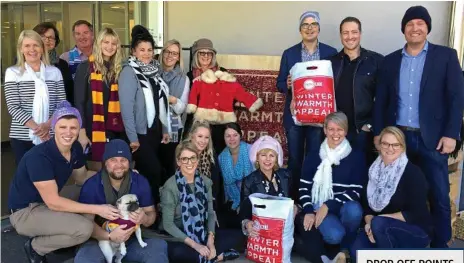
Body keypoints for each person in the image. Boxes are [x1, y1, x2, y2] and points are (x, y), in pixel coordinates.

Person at [373, 5, 464, 248]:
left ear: (427, 28)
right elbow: (381, 100)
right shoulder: (390, 61)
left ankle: (441, 245)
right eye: (410, 24)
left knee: (438, 194)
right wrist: (379, 134)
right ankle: (407, 240)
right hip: (397, 140)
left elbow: (456, 97)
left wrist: (451, 134)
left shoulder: (445, 56)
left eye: (420, 24)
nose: (415, 28)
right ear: (403, 29)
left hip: (433, 139)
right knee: (399, 192)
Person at [7, 101, 118, 263]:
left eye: (73, 128)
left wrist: (115, 175)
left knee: (92, 190)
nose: (68, 132)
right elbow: (54, 203)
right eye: (62, 127)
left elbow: (82, 178)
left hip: (47, 201)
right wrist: (98, 210)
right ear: (54, 129)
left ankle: (70, 238)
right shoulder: (39, 157)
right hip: (25, 212)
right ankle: (36, 247)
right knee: (85, 229)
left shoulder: (75, 149)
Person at [74, 139, 169, 263]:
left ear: (129, 162)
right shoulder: (92, 185)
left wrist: (145, 218)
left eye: (123, 160)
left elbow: (151, 213)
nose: (119, 165)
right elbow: (86, 224)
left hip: (132, 238)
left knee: (158, 248)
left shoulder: (140, 181)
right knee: (85, 259)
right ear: (105, 162)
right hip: (99, 239)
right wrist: (109, 236)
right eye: (113, 160)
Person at [276, 11, 338, 200]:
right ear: (300, 29)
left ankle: (312, 198)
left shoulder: (331, 52)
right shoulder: (289, 53)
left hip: (319, 116)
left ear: (319, 28)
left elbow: (336, 82)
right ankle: (294, 200)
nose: (309, 28)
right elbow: (279, 83)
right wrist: (286, 84)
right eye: (305, 25)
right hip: (295, 115)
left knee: (314, 157)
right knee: (295, 159)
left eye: (313, 24)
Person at [350, 127, 432, 261]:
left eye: (395, 145)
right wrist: (370, 222)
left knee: (380, 225)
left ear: (403, 147)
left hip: (414, 229)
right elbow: (366, 205)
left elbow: (415, 213)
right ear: (379, 145)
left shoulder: (413, 173)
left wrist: (378, 221)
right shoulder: (372, 170)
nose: (390, 148)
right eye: (386, 144)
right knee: (356, 253)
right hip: (379, 226)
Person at [296, 112, 365, 263]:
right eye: (331, 129)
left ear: (346, 131)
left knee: (354, 210)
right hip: (319, 206)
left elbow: (356, 190)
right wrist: (308, 210)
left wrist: (328, 205)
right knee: (334, 235)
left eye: (340, 129)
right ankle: (336, 247)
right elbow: (304, 188)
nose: (335, 134)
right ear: (325, 130)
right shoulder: (314, 156)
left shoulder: (356, 156)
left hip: (342, 206)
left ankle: (345, 249)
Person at [160, 140, 241, 263]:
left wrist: (210, 241)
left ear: (198, 160)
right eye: (184, 159)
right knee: (179, 254)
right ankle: (217, 256)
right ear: (178, 162)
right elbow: (168, 225)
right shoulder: (170, 187)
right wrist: (196, 246)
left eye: (193, 158)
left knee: (240, 237)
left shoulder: (205, 182)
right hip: (179, 236)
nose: (189, 163)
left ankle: (212, 254)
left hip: (201, 232)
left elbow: (210, 213)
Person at [118, 25, 170, 204]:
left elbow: (160, 102)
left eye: (149, 50)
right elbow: (126, 108)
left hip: (154, 131)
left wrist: (164, 128)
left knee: (157, 172)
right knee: (152, 171)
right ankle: (150, 212)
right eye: (142, 50)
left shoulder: (155, 72)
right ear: (133, 51)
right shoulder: (129, 73)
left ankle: (152, 211)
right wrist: (133, 138)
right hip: (139, 134)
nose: (146, 54)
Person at [4, 29, 66, 165]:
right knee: (27, 177)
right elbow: (13, 107)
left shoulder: (54, 72)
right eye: (27, 46)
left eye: (36, 45)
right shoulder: (13, 73)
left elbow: (62, 105)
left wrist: (47, 126)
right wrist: (38, 129)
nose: (32, 49)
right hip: (22, 136)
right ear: (21, 49)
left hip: (51, 134)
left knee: (49, 176)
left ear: (42, 48)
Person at [330, 17, 384, 165]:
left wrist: (370, 125)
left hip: (363, 132)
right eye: (345, 33)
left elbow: (384, 98)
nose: (350, 37)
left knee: (363, 176)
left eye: (354, 32)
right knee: (338, 174)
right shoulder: (330, 62)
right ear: (341, 35)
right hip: (337, 132)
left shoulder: (376, 61)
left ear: (360, 34)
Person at [74, 28, 125, 167]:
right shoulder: (85, 68)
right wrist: (82, 132)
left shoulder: (119, 70)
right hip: (92, 129)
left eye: (113, 43)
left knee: (114, 166)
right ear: (98, 44)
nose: (109, 46)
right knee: (96, 168)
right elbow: (79, 102)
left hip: (114, 128)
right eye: (105, 42)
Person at [240, 135, 294, 236]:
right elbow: (244, 211)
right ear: (257, 158)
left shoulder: (286, 176)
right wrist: (247, 223)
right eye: (263, 155)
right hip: (261, 230)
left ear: (276, 159)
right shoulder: (249, 181)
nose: (268, 159)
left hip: (284, 229)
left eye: (272, 155)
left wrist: (295, 208)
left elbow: (295, 200)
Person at [184, 38, 229, 153]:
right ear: (196, 55)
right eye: (202, 53)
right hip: (195, 126)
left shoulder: (223, 73)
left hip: (217, 126)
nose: (206, 56)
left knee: (215, 158)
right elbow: (187, 102)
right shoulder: (189, 76)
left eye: (209, 53)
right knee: (194, 157)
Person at [158, 39, 190, 184]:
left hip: (172, 129)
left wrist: (171, 99)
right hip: (152, 126)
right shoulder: (151, 72)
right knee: (152, 167)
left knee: (168, 169)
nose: (170, 56)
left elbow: (182, 108)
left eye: (175, 53)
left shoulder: (183, 79)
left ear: (178, 57)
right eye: (168, 51)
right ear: (162, 52)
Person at [217, 123, 254, 228]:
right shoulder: (221, 157)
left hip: (252, 198)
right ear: (224, 138)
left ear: (241, 135)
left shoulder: (250, 150)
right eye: (228, 136)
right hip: (233, 200)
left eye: (235, 135)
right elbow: (225, 185)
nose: (232, 139)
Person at [33, 22, 74, 105]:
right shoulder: (25, 62)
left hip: (57, 113)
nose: (47, 40)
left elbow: (69, 92)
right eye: (43, 37)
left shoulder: (62, 64)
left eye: (51, 37)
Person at [187, 120, 223, 211]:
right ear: (192, 136)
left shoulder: (211, 155)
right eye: (200, 136)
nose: (203, 141)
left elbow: (215, 184)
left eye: (206, 137)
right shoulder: (183, 153)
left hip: (207, 202)